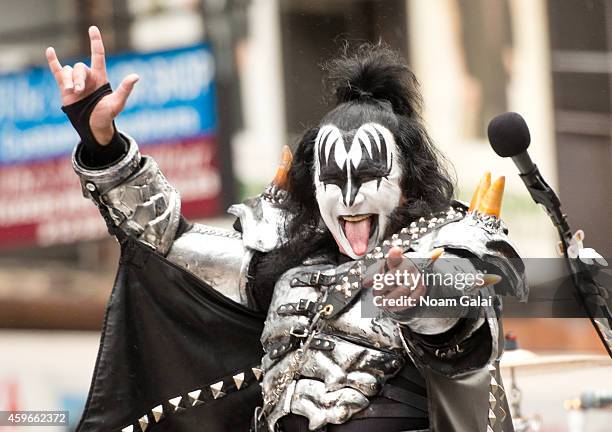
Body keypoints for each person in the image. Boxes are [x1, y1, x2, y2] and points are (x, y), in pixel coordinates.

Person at [47, 26, 526, 432]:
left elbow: (478, 290)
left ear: (408, 181)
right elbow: (164, 241)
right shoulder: (288, 264)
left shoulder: (445, 242)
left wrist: (422, 294)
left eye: (368, 177)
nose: (351, 197)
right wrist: (103, 143)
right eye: (334, 180)